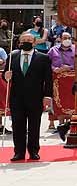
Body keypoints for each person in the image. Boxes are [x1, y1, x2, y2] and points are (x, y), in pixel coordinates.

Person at [3, 31, 54, 161]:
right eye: (23, 40)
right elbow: (5, 75)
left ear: (34, 42)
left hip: (35, 97)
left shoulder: (43, 58)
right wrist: (6, 76)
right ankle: (18, 152)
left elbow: (48, 79)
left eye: (29, 40)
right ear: (19, 42)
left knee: (34, 126)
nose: (26, 42)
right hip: (17, 97)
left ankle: (33, 151)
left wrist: (47, 96)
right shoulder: (12, 56)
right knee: (18, 126)